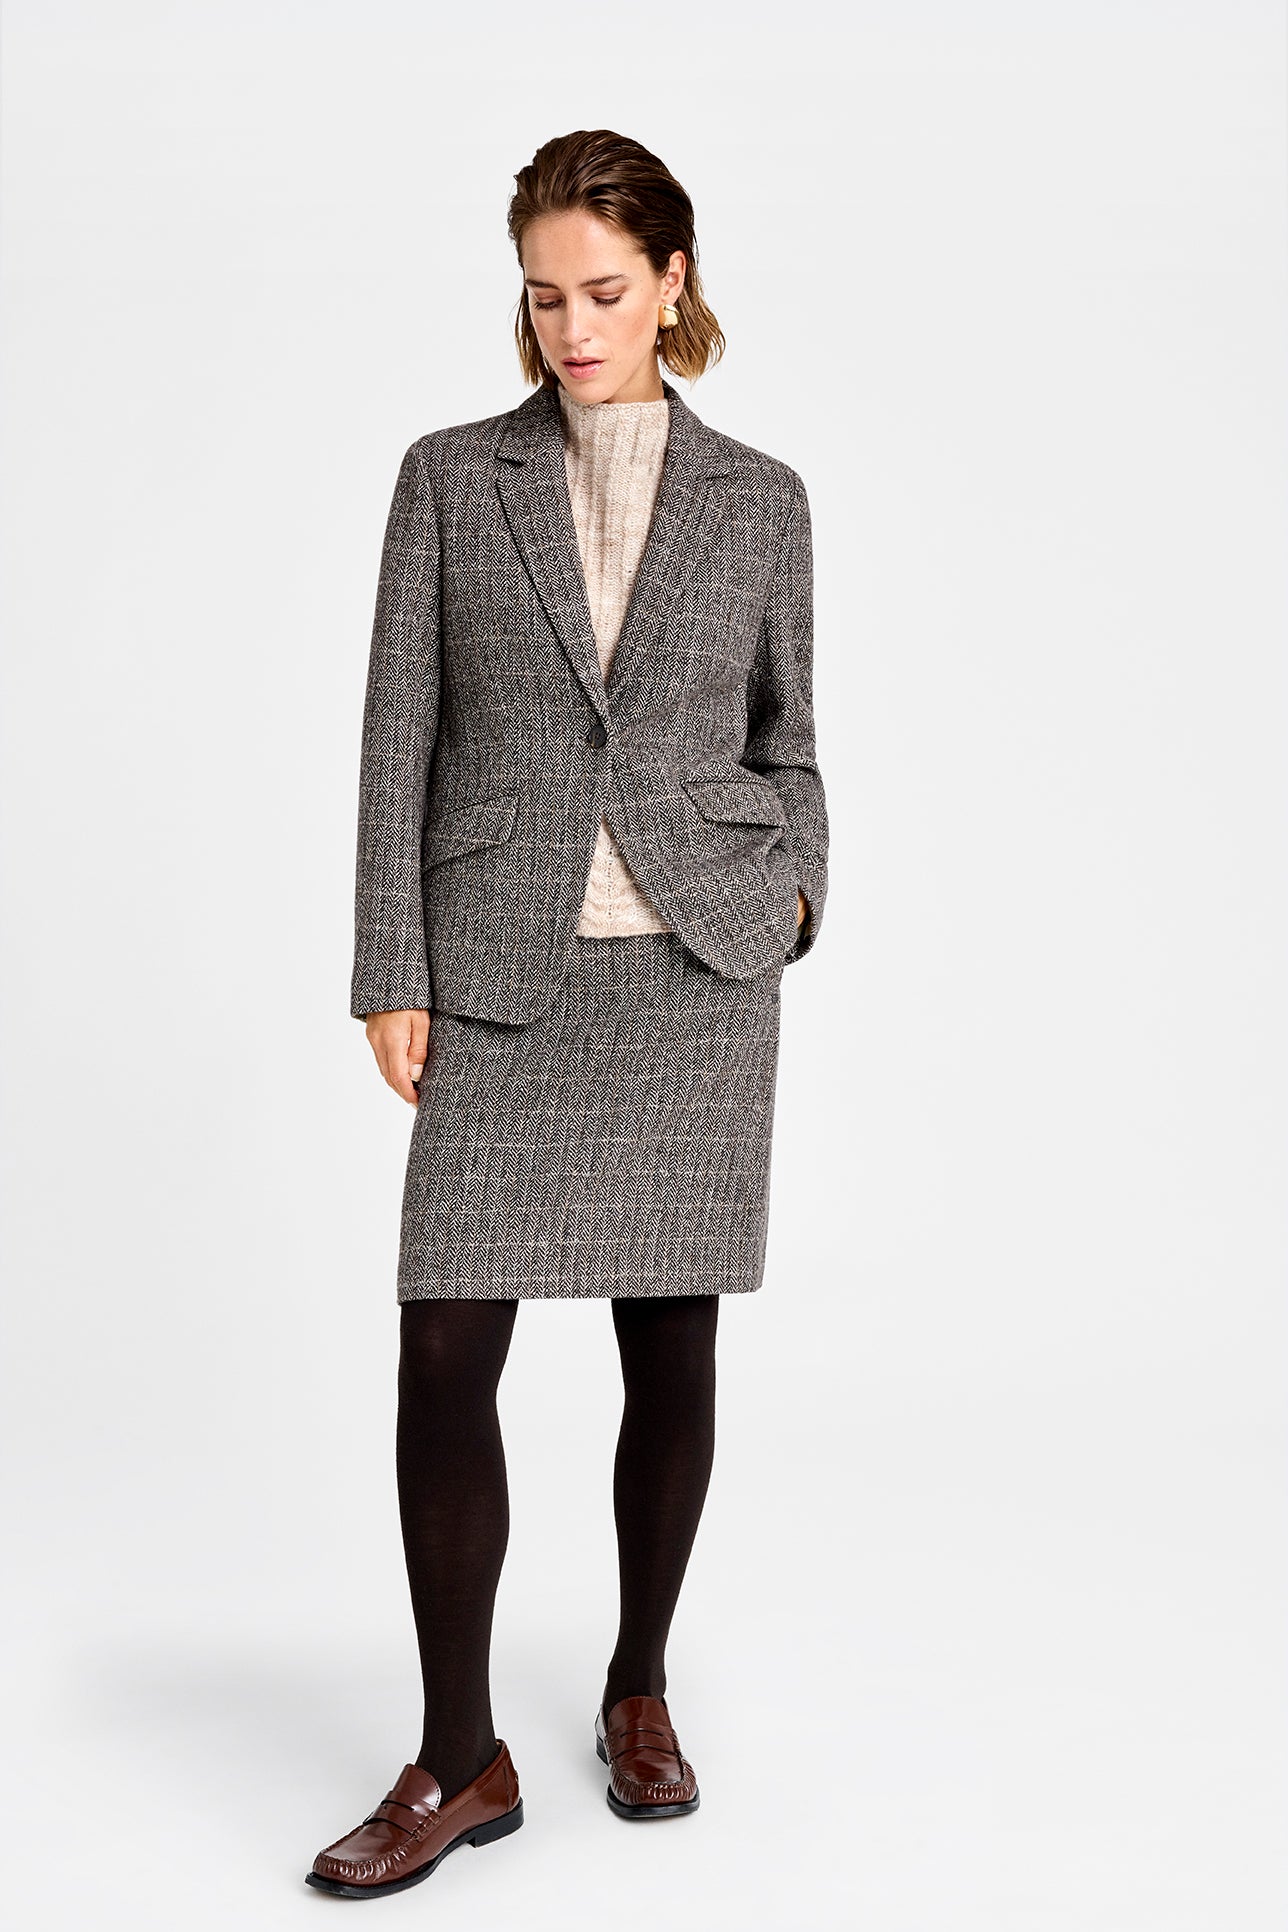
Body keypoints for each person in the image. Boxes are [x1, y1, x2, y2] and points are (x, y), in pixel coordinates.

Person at [307, 127, 829, 1901]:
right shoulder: (453, 478)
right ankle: (460, 1755)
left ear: (672, 283)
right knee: (444, 1349)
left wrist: (797, 894)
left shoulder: (762, 500)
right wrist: (390, 963)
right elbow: (398, 733)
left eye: (604, 292)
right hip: (501, 963)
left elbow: (790, 741)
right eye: (544, 297)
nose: (573, 327)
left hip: (695, 967)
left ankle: (637, 1687)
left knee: (669, 1346)